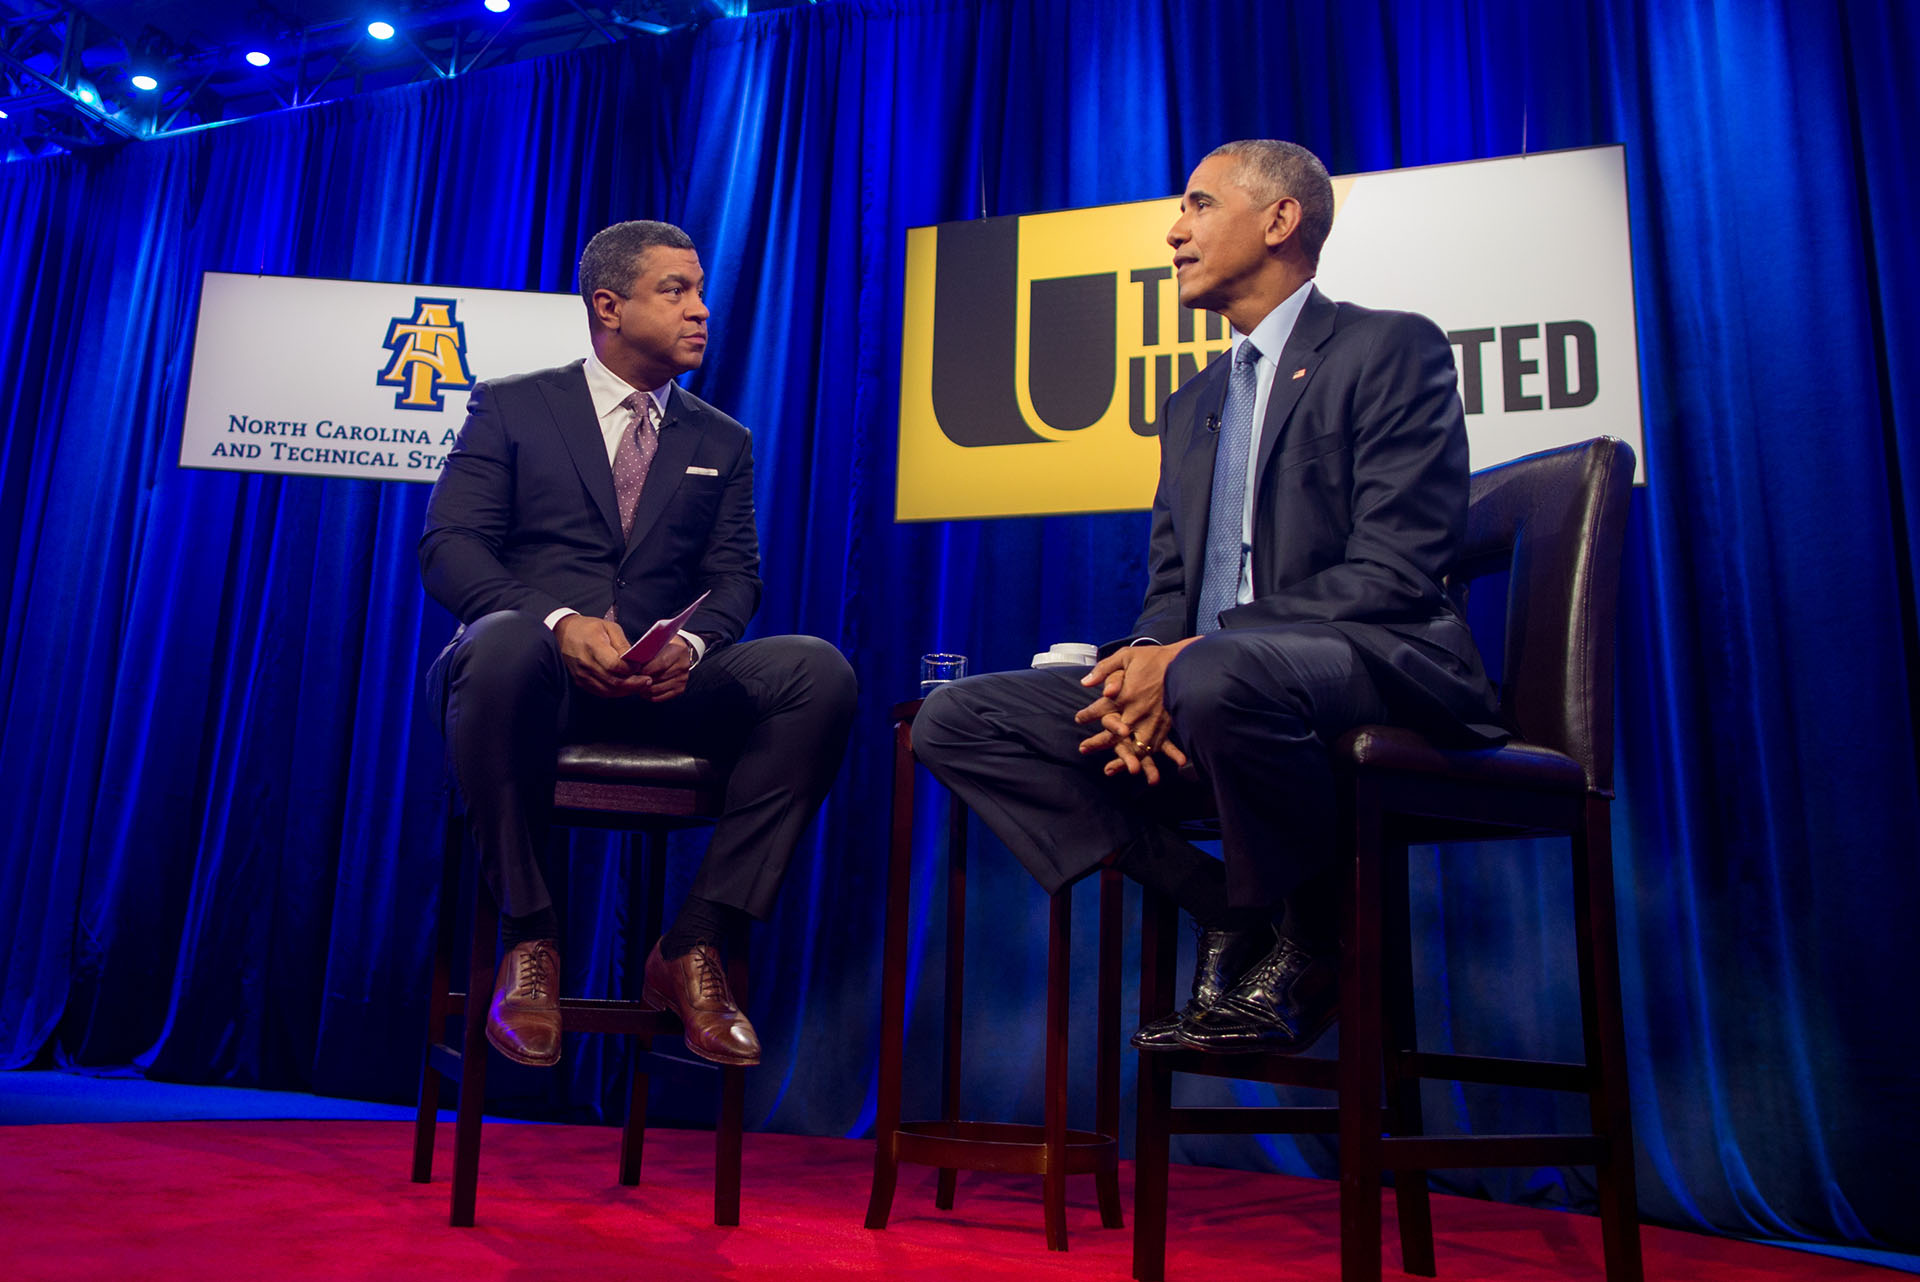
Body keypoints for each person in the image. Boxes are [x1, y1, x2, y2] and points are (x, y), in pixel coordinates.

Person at [914, 141, 1500, 1054]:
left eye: (1197, 205)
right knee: (957, 718)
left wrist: (1189, 657)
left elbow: (1393, 572)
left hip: (1368, 663)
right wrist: (1142, 664)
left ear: (1279, 220)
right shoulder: (1193, 403)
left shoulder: (1389, 347)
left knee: (1218, 673)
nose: (1173, 231)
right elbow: (1173, 586)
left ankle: (1313, 942)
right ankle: (1227, 907)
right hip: (1214, 678)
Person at [420, 220, 856, 1069]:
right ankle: (531, 941)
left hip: (660, 691)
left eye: (700, 291)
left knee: (817, 671)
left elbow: (737, 578)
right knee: (504, 641)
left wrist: (691, 643)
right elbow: (450, 546)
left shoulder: (721, 439)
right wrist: (558, 623)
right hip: (530, 681)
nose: (702, 310)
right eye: (677, 291)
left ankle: (694, 944)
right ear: (609, 306)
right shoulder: (513, 404)